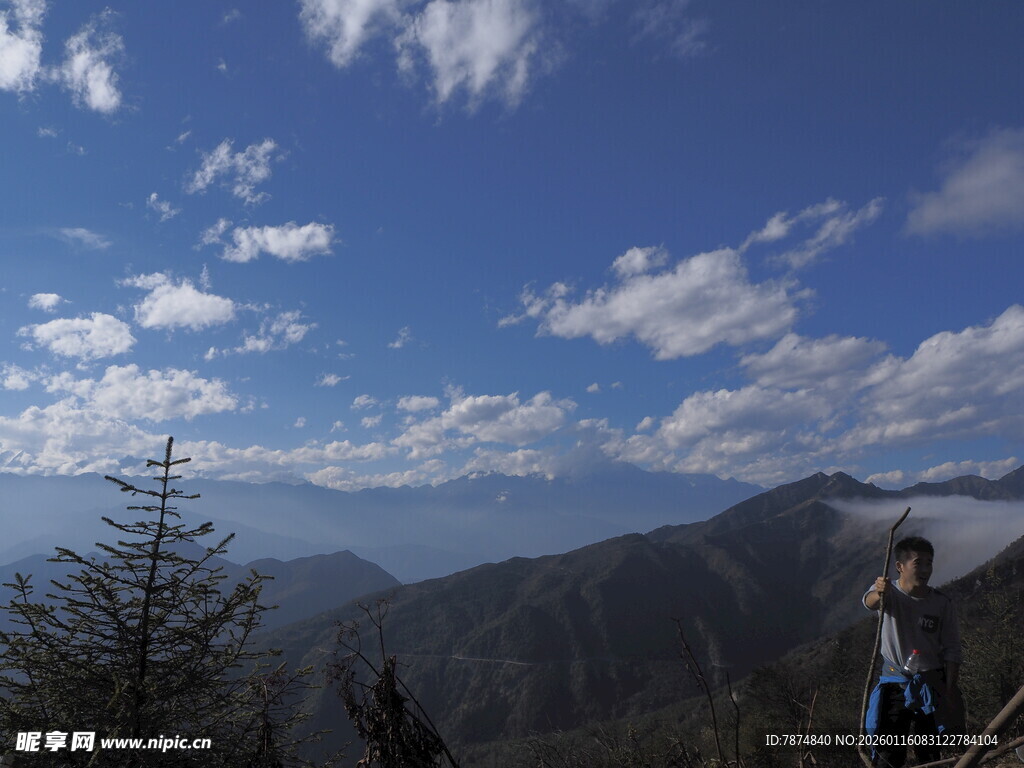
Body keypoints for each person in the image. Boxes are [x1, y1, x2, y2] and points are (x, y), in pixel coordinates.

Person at [862, 536, 963, 768]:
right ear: (900, 566)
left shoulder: (941, 603)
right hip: (894, 685)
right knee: (888, 755)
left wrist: (949, 690)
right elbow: (869, 602)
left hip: (932, 686)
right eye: (918, 563)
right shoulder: (889, 594)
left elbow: (952, 648)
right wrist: (879, 592)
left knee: (931, 755)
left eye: (929, 563)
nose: (926, 569)